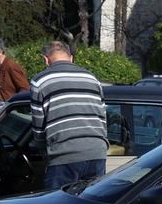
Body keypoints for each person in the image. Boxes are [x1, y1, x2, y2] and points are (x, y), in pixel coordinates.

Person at [31, 40, 107, 190]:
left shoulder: (40, 81)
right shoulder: (92, 78)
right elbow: (102, 117)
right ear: (71, 57)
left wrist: (43, 150)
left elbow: (38, 125)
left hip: (63, 154)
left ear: (46, 59)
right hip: (97, 151)